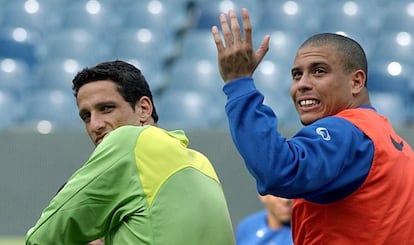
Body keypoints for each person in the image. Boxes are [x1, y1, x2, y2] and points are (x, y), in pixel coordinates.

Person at [211, 8, 414, 244]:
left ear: (356, 81)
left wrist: (239, 84)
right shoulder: (393, 142)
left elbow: (279, 170)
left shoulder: (347, 131)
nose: (302, 85)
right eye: (297, 75)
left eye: (319, 71)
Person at [26, 60, 235, 245]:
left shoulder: (128, 141)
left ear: (144, 108)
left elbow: (41, 238)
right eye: (86, 116)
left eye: (106, 108)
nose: (95, 125)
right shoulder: (202, 163)